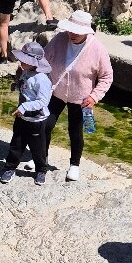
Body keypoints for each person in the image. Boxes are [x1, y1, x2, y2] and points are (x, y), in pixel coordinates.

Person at [42, 11, 113, 181]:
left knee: (75, 131)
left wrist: (95, 97)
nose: (72, 34)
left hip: (81, 98)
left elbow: (107, 76)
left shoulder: (97, 49)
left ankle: (74, 165)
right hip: (56, 91)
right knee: (45, 125)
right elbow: (44, 58)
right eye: (71, 30)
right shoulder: (60, 39)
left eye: (77, 32)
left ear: (86, 32)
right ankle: (41, 158)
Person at [0, 41, 52, 186]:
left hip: (36, 120)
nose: (21, 61)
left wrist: (24, 106)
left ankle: (41, 170)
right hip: (22, 118)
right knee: (16, 144)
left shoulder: (42, 80)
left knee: (38, 148)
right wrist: (16, 85)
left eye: (24, 60)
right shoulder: (25, 72)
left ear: (34, 62)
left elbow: (43, 102)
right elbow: (25, 87)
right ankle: (10, 168)